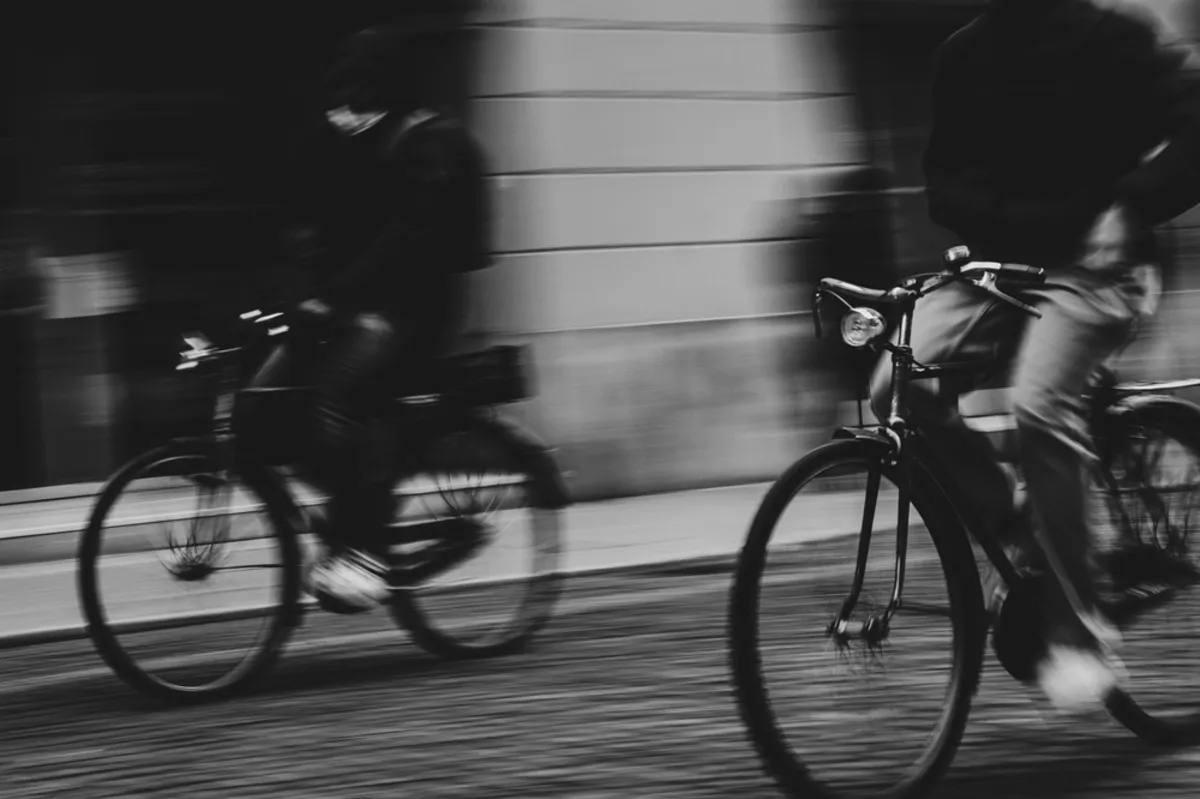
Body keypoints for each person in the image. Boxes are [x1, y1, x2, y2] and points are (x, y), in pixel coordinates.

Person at [873, 0, 1200, 712]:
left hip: (1100, 266)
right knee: (894, 386)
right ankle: (1025, 536)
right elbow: (945, 176)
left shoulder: (1119, 37)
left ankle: (1081, 632)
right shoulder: (963, 52)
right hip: (996, 269)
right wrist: (992, 229)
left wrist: (1130, 205)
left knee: (1038, 403)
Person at [237, 21, 491, 613]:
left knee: (339, 394)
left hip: (416, 310)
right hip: (357, 305)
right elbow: (319, 228)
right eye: (345, 85)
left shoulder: (432, 142)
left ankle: (367, 546)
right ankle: (344, 503)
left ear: (387, 83)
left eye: (361, 84)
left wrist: (333, 297)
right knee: (264, 398)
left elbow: (407, 238)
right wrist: (297, 293)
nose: (349, 98)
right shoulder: (361, 143)